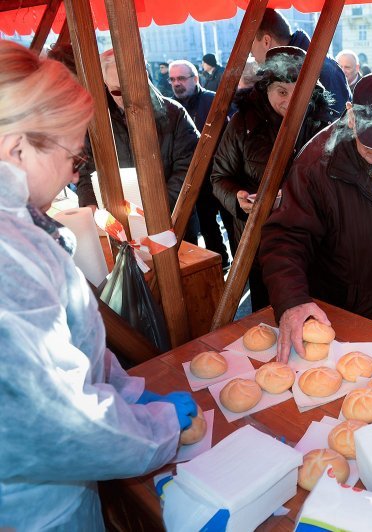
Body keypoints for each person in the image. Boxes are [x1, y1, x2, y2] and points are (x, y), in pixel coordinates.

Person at [0, 40, 195, 531]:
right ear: (16, 148)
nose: (73, 173)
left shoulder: (20, 233)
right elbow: (56, 419)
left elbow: (67, 350)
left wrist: (126, 391)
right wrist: (156, 428)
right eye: (73, 156)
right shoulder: (10, 256)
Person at [260, 72, 372, 361]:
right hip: (337, 306)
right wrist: (292, 301)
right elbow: (286, 238)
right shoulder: (316, 162)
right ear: (351, 116)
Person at [211, 46, 335, 311]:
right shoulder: (242, 124)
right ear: (264, 88)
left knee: (313, 309)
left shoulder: (322, 124)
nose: (290, 101)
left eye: (299, 91)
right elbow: (219, 177)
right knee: (267, 315)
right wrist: (237, 198)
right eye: (281, 91)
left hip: (313, 240)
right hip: (259, 240)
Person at [75, 49, 202, 241]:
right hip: (116, 225)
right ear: (106, 85)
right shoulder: (95, 121)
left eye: (132, 87)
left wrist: (152, 211)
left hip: (172, 222)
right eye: (117, 91)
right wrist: (91, 206)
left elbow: (188, 170)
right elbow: (86, 171)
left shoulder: (174, 114)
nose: (126, 98)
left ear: (144, 76)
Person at [169, 59, 233, 267]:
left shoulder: (213, 101)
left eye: (181, 78)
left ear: (195, 79)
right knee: (207, 226)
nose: (176, 83)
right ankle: (220, 263)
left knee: (231, 225)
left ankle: (243, 269)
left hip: (222, 175)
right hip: (196, 180)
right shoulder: (173, 108)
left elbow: (230, 139)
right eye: (172, 79)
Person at [251, 8, 350, 116]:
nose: (250, 53)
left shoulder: (323, 70)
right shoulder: (279, 70)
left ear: (266, 41)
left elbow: (337, 125)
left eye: (251, 43)